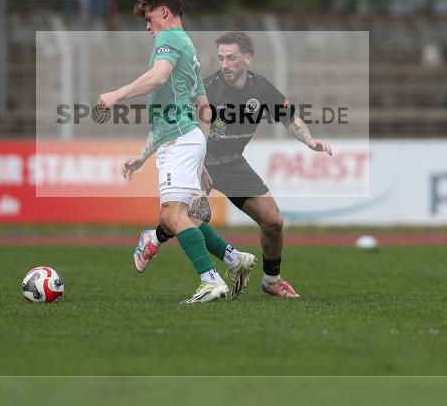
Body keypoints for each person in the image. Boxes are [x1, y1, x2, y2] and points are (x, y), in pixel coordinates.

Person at [126, 31, 333, 298]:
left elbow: (289, 117)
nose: (225, 64)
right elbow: (168, 123)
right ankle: (157, 242)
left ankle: (271, 280)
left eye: (231, 58)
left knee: (273, 221)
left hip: (233, 165)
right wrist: (142, 156)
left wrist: (309, 140)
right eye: (221, 58)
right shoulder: (208, 89)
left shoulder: (260, 88)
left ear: (247, 58)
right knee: (188, 217)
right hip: (199, 162)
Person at [99, 0, 255, 303]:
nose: (147, 26)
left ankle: (211, 281)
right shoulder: (189, 47)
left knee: (172, 217)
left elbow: (157, 77)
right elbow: (203, 107)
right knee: (187, 218)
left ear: (164, 13)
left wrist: (116, 95)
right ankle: (235, 260)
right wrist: (195, 158)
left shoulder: (168, 39)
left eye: (149, 17)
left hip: (180, 141)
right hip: (187, 138)